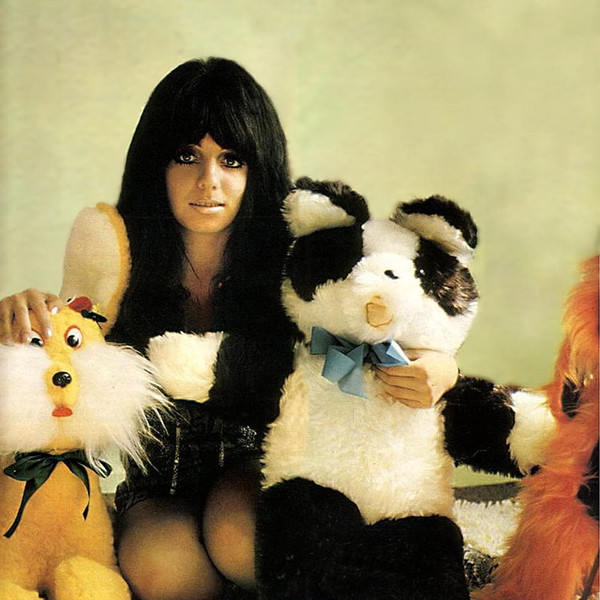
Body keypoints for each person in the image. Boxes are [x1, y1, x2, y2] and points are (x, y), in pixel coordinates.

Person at [0, 57, 459, 600]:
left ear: (258, 168)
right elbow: (70, 352)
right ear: (156, 164)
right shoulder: (113, 251)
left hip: (262, 466)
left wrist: (441, 366)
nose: (208, 181)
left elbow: (374, 326)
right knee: (165, 575)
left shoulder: (294, 256)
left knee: (244, 542)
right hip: (156, 483)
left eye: (232, 160)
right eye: (186, 156)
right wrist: (21, 318)